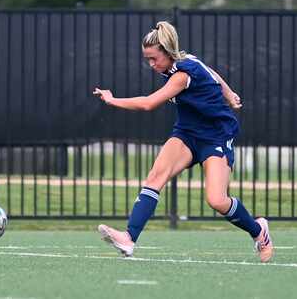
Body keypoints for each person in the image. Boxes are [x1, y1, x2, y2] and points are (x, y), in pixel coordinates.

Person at [93, 21, 273, 263]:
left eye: (154, 59)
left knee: (217, 200)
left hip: (216, 135)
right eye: (147, 59)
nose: (151, 64)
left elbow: (149, 103)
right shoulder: (187, 60)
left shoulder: (183, 74)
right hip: (187, 133)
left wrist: (112, 100)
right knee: (156, 176)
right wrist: (228, 93)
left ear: (168, 52)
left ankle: (259, 231)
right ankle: (128, 238)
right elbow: (213, 73)